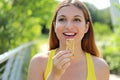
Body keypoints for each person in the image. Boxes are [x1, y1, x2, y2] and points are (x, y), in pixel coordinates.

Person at [27, 0, 110, 80]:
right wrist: (54, 75)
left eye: (76, 19)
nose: (69, 26)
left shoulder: (100, 67)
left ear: (86, 27)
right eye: (62, 19)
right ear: (55, 26)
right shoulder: (38, 63)